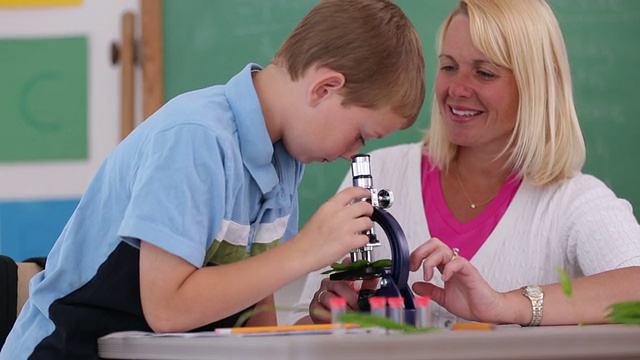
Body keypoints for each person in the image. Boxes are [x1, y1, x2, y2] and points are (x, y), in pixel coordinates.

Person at [0, 1, 425, 358]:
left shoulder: (286, 162)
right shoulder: (196, 138)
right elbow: (167, 309)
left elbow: (252, 311)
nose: (353, 152)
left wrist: (311, 324)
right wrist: (305, 252)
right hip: (65, 348)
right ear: (325, 88)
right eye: (360, 135)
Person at [290, 0, 640, 328]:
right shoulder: (378, 171)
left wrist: (507, 305)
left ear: (536, 84)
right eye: (448, 67)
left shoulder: (574, 201)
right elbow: (301, 328)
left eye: (484, 73)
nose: (457, 88)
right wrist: (325, 315)